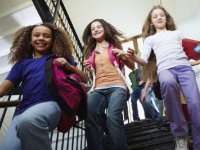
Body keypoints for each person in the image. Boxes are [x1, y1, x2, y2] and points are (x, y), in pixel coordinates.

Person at [0, 23, 88, 150]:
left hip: (51, 104)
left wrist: (69, 67)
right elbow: (2, 90)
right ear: (30, 41)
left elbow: (84, 79)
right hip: (22, 111)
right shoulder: (22, 64)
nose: (41, 38)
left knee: (29, 121)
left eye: (46, 36)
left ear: (53, 41)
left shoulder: (60, 59)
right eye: (36, 35)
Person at [127, 5, 200, 150]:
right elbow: (144, 60)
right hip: (165, 69)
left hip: (184, 68)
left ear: (166, 19)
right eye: (155, 16)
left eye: (162, 15)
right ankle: (180, 136)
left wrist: (198, 51)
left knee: (195, 104)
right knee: (166, 81)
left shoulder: (177, 34)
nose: (159, 17)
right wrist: (133, 56)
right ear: (151, 22)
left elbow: (192, 47)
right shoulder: (150, 39)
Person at [82, 19, 135, 150]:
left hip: (117, 86)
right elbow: (92, 76)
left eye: (99, 27)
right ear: (91, 33)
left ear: (105, 29)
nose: (96, 29)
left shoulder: (114, 47)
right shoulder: (90, 52)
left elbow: (132, 67)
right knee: (90, 115)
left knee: (113, 117)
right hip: (98, 88)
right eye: (93, 28)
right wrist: (89, 69)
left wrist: (124, 55)